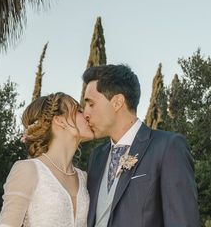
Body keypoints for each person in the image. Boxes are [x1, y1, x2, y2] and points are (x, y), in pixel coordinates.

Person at [82, 64, 200, 227]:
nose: (85, 113)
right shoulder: (96, 156)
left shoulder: (167, 147)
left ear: (117, 102)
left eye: (91, 104)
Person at [0, 92, 95, 227]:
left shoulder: (84, 178)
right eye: (78, 111)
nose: (86, 115)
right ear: (60, 120)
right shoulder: (28, 170)